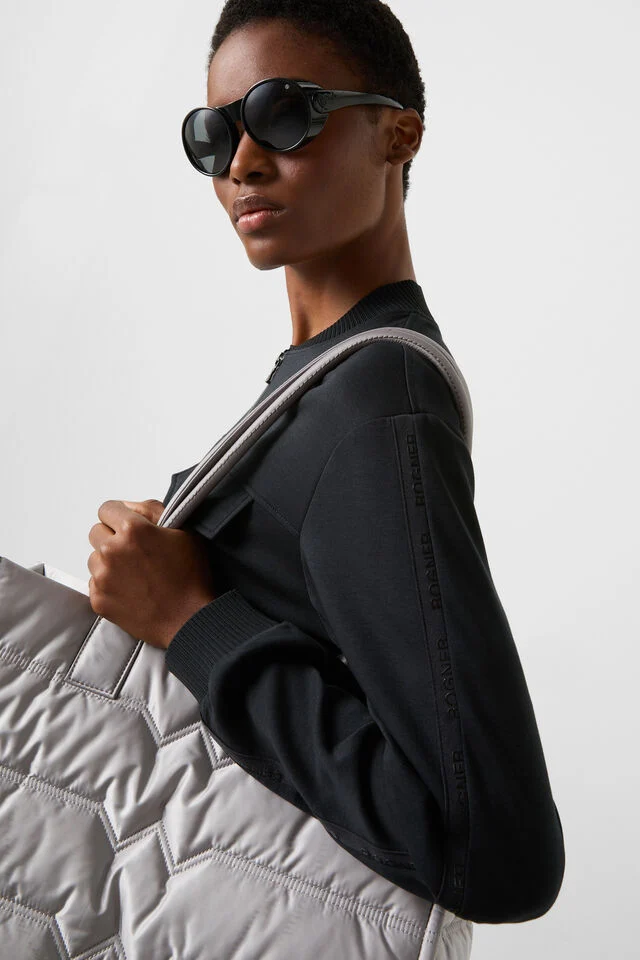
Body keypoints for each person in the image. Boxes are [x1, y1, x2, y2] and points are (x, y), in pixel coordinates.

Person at [87, 0, 565, 931]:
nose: (241, 162)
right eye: (213, 135)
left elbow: (502, 855)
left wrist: (192, 619)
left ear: (399, 134)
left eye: (284, 114)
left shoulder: (375, 406)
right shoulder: (323, 382)